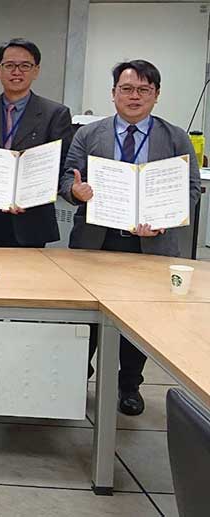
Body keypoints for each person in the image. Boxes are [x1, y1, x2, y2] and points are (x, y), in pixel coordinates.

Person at [59, 60, 200, 416]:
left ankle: (129, 385)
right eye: (127, 89)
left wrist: (165, 220)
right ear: (113, 94)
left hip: (149, 244)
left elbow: (191, 189)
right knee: (87, 314)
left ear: (156, 95)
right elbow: (65, 181)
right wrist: (77, 192)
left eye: (143, 90)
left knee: (137, 320)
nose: (134, 96)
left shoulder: (175, 137)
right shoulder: (89, 134)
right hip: (97, 242)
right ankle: (79, 377)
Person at [0, 38, 74, 248]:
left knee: (29, 280)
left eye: (25, 66)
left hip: (31, 217)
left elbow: (59, 164)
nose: (17, 72)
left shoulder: (55, 113)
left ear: (36, 71)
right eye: (10, 66)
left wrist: (27, 197)